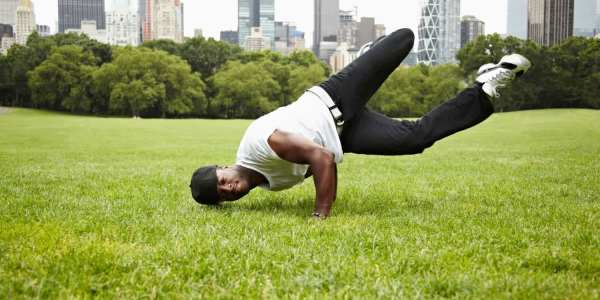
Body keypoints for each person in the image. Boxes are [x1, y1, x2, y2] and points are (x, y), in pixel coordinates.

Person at [189, 28, 531, 218]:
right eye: (221, 195)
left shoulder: (259, 147)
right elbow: (320, 158)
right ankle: (486, 88)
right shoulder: (268, 184)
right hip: (345, 133)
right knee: (415, 140)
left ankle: (372, 49)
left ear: (223, 167)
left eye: (221, 181)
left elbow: (320, 160)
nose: (228, 189)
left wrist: (321, 214)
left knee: (403, 40)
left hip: (334, 99)